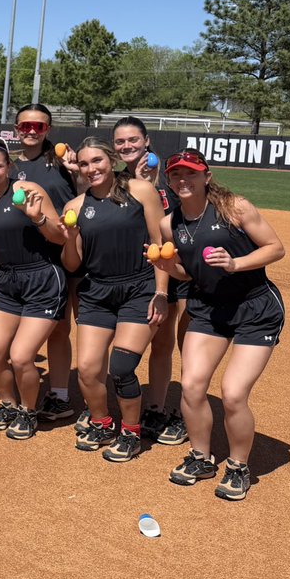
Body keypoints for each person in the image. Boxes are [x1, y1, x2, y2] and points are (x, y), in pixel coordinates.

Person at [155, 150, 285, 501]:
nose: (184, 180)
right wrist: (170, 271)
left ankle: (238, 466)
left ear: (206, 176)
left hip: (255, 307)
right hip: (209, 308)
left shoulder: (234, 207)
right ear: (169, 180)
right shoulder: (171, 224)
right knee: (193, 386)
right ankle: (201, 457)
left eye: (191, 174)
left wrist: (236, 262)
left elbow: (275, 248)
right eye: (177, 175)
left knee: (232, 394)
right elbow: (188, 270)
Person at [59, 138, 168, 462]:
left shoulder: (140, 190)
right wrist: (70, 237)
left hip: (139, 288)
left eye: (97, 161)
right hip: (97, 293)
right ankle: (102, 422)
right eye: (84, 164)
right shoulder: (75, 207)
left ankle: (131, 432)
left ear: (111, 159)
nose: (91, 168)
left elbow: (159, 243)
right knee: (89, 371)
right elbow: (72, 264)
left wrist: (161, 293)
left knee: (121, 367)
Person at [0, 135, 66, 440]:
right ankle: (9, 403)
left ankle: (28, 410)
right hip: (4, 282)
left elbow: (60, 237)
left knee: (22, 356)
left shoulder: (28, 190)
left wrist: (38, 219)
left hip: (42, 279)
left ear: (9, 167)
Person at [112, 116, 188, 445]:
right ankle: (141, 404)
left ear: (146, 141)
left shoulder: (169, 177)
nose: (127, 146)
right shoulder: (114, 180)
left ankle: (162, 408)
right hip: (139, 272)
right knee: (137, 339)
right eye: (120, 142)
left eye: (133, 140)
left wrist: (155, 185)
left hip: (177, 270)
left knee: (169, 343)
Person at [11, 104, 78, 423]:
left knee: (60, 328)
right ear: (16, 128)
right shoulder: (10, 167)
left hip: (60, 253)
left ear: (48, 130)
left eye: (38, 127)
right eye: (25, 126)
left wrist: (76, 173)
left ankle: (60, 394)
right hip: (22, 256)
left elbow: (87, 199)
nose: (31, 131)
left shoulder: (62, 162)